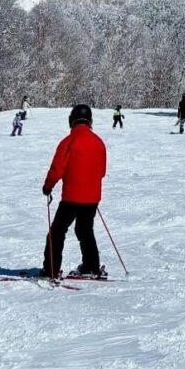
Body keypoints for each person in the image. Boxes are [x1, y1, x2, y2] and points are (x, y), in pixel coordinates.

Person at [41, 104, 108, 279]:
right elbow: (102, 172)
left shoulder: (68, 142)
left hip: (71, 197)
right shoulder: (99, 142)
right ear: (90, 121)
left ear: (72, 120)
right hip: (92, 198)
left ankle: (51, 270)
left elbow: (57, 169)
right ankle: (91, 266)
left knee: (57, 232)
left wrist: (48, 186)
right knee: (85, 230)